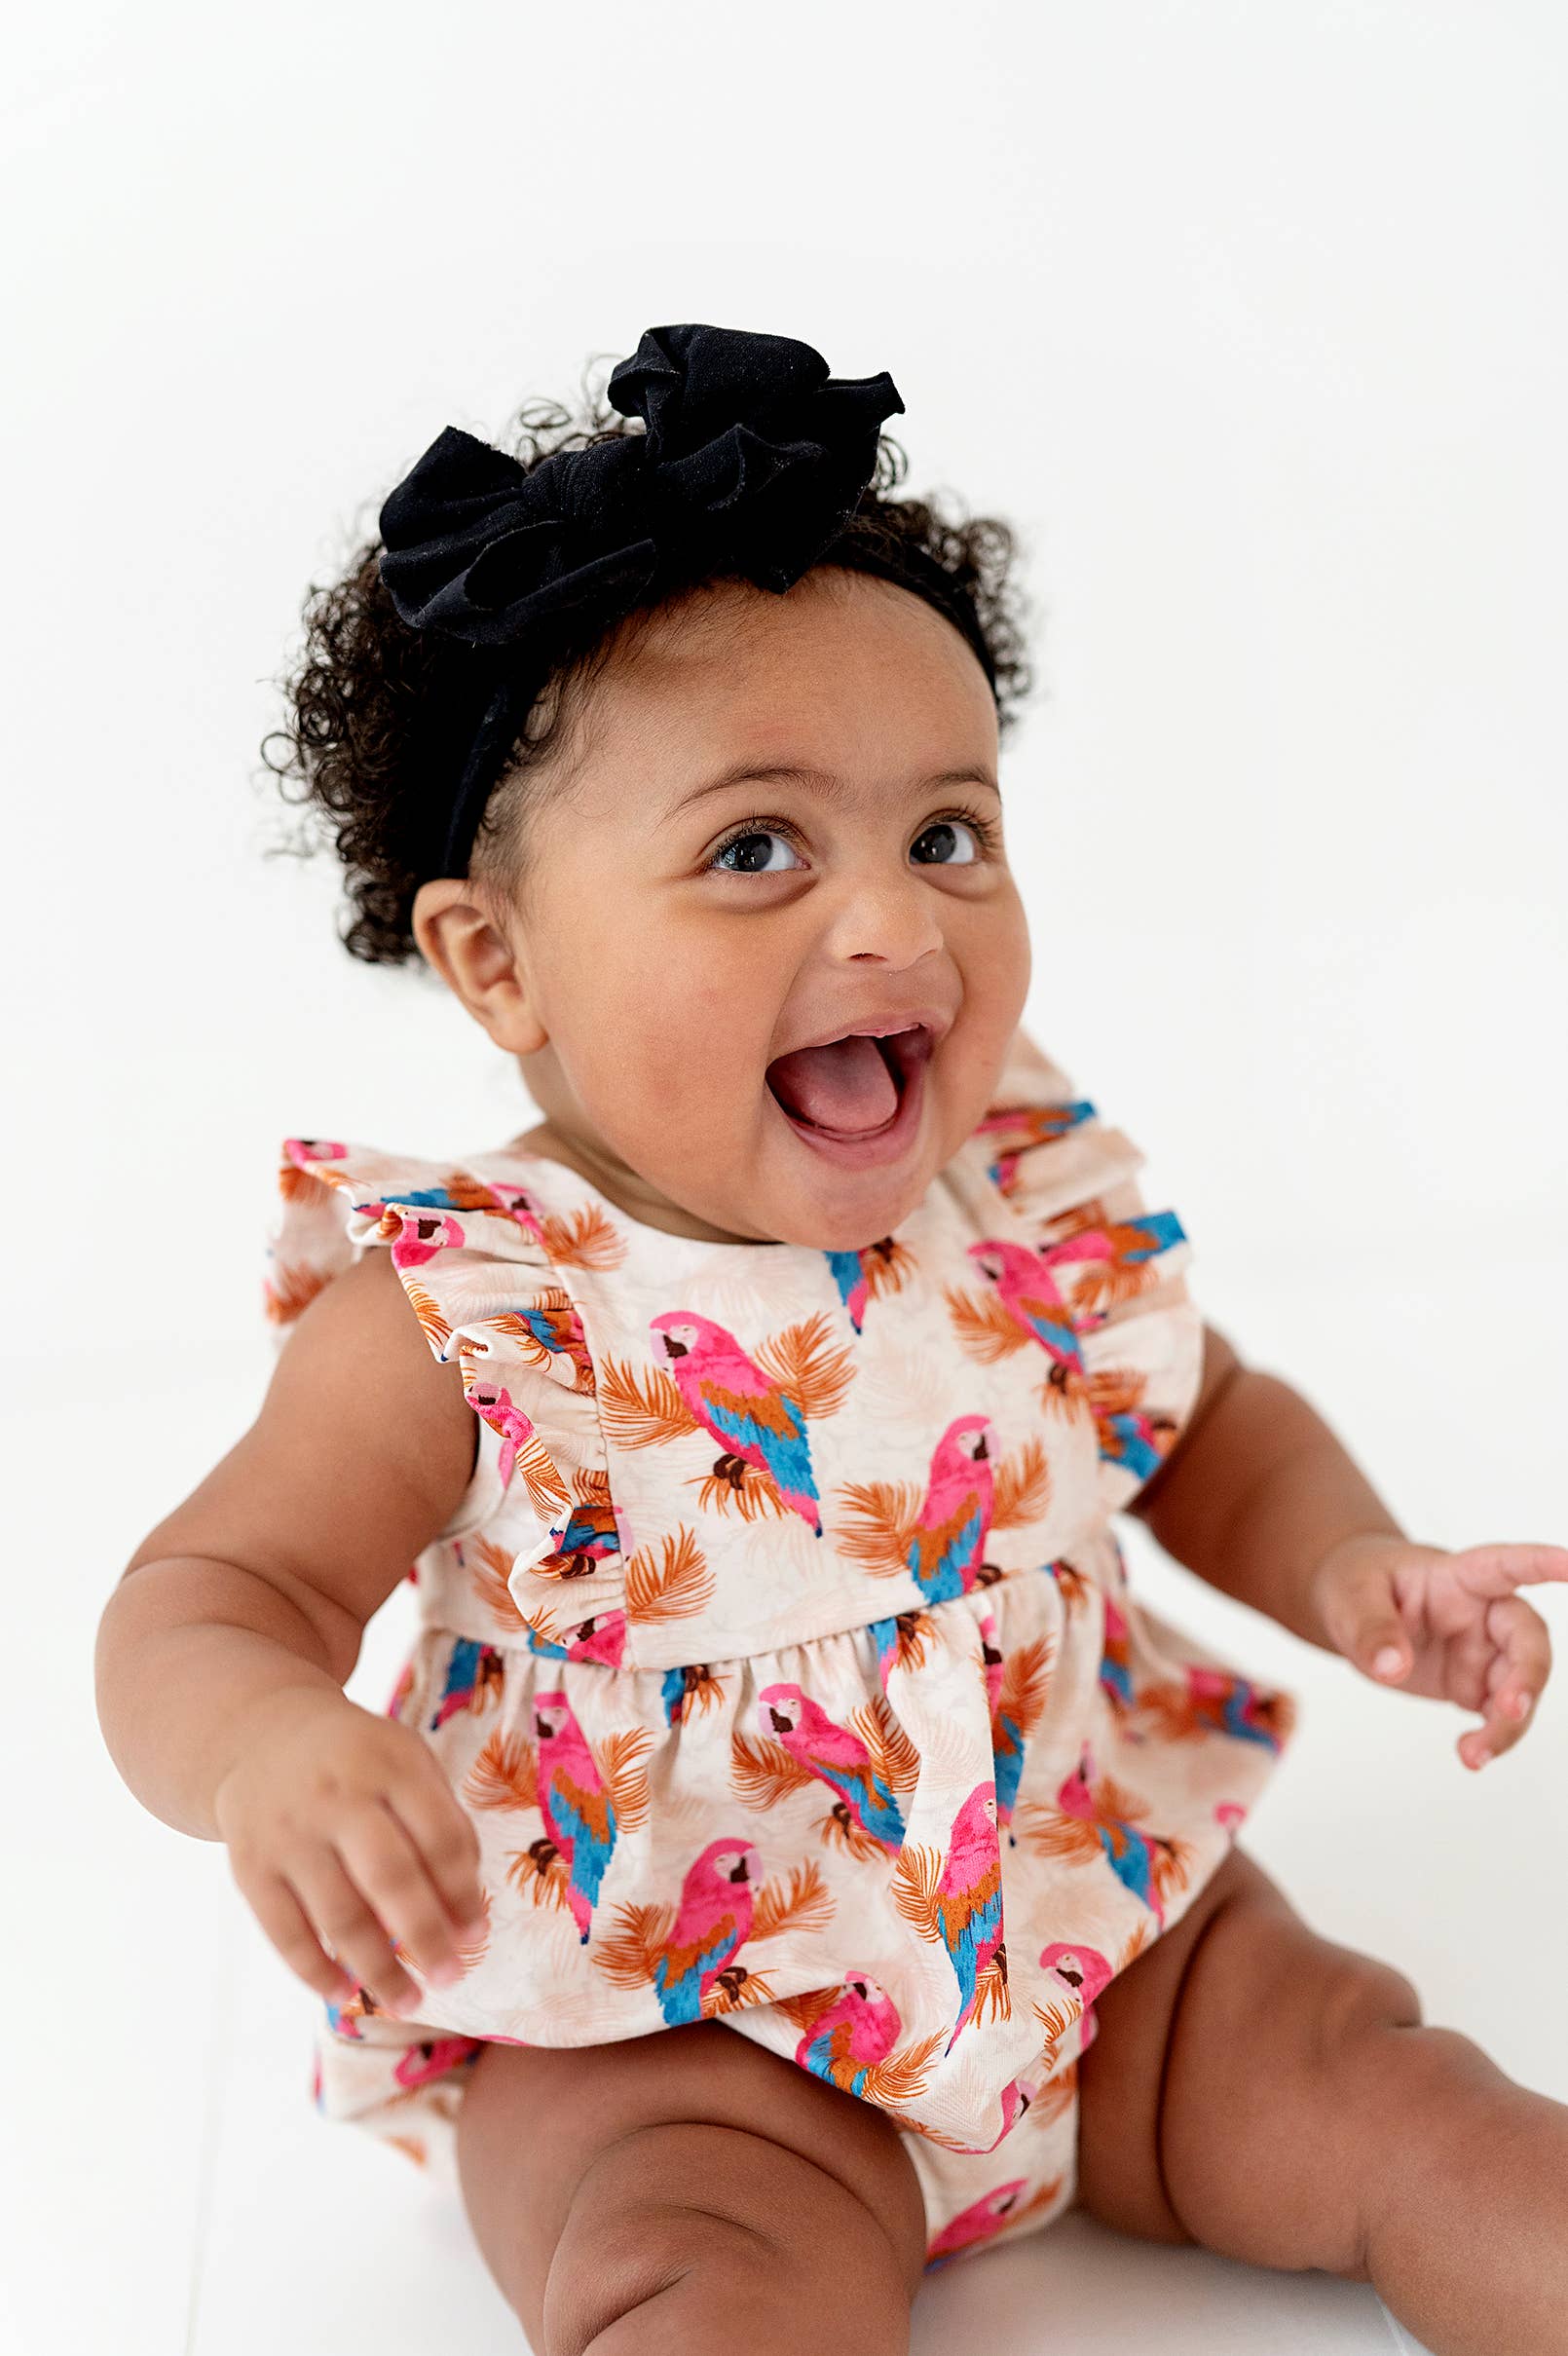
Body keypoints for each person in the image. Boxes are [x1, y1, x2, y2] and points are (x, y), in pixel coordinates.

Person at [94, 322, 1568, 2356]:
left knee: (1406, 2101)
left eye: (944, 833)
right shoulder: (464, 1309)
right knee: (699, 2285)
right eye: (758, 849)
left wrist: (1348, 1562)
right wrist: (268, 1739)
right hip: (674, 2031)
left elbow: (1205, 1419)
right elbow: (203, 1588)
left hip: (1095, 1934)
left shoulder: (1020, 1195)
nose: (892, 923)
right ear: (495, 957)